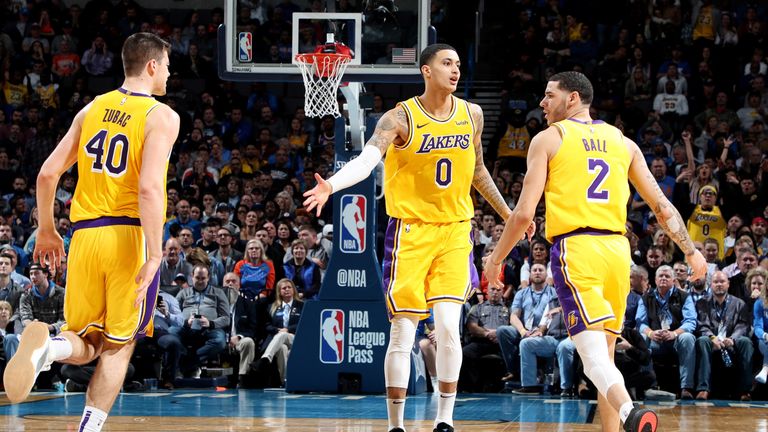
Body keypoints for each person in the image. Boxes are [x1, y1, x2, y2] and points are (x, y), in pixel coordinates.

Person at [303, 43, 514, 432]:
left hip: (454, 231)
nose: (455, 70)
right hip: (410, 234)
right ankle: (396, 425)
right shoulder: (399, 117)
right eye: (446, 63)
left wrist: (509, 213)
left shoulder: (473, 114)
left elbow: (478, 171)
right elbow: (368, 160)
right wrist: (330, 186)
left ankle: (445, 420)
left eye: (457, 64)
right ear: (426, 71)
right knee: (403, 331)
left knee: (449, 325)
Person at [485, 71, 706, 432]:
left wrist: (495, 259)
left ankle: (631, 412)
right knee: (603, 357)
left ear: (572, 98)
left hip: (577, 248)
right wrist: (691, 251)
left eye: (549, 95)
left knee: (590, 356)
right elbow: (663, 207)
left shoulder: (548, 139)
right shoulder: (623, 142)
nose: (542, 103)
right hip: (618, 253)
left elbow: (524, 212)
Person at [4, 33, 180, 432]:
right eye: (167, 65)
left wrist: (47, 230)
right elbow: (149, 188)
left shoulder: (92, 108)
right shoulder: (161, 116)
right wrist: (154, 255)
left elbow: (48, 173)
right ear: (152, 66)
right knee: (120, 346)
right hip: (128, 239)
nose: (169, 74)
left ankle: (48, 348)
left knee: (87, 340)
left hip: (83, 237)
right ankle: (88, 428)